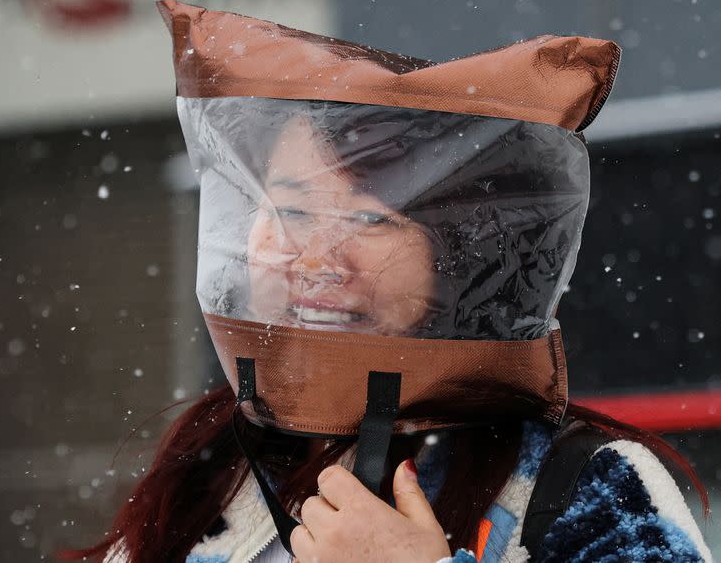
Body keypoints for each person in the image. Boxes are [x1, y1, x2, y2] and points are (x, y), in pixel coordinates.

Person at [59, 100, 713, 563]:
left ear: (457, 258)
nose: (314, 257)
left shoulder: (583, 484)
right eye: (288, 209)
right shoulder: (214, 465)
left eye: (370, 220)